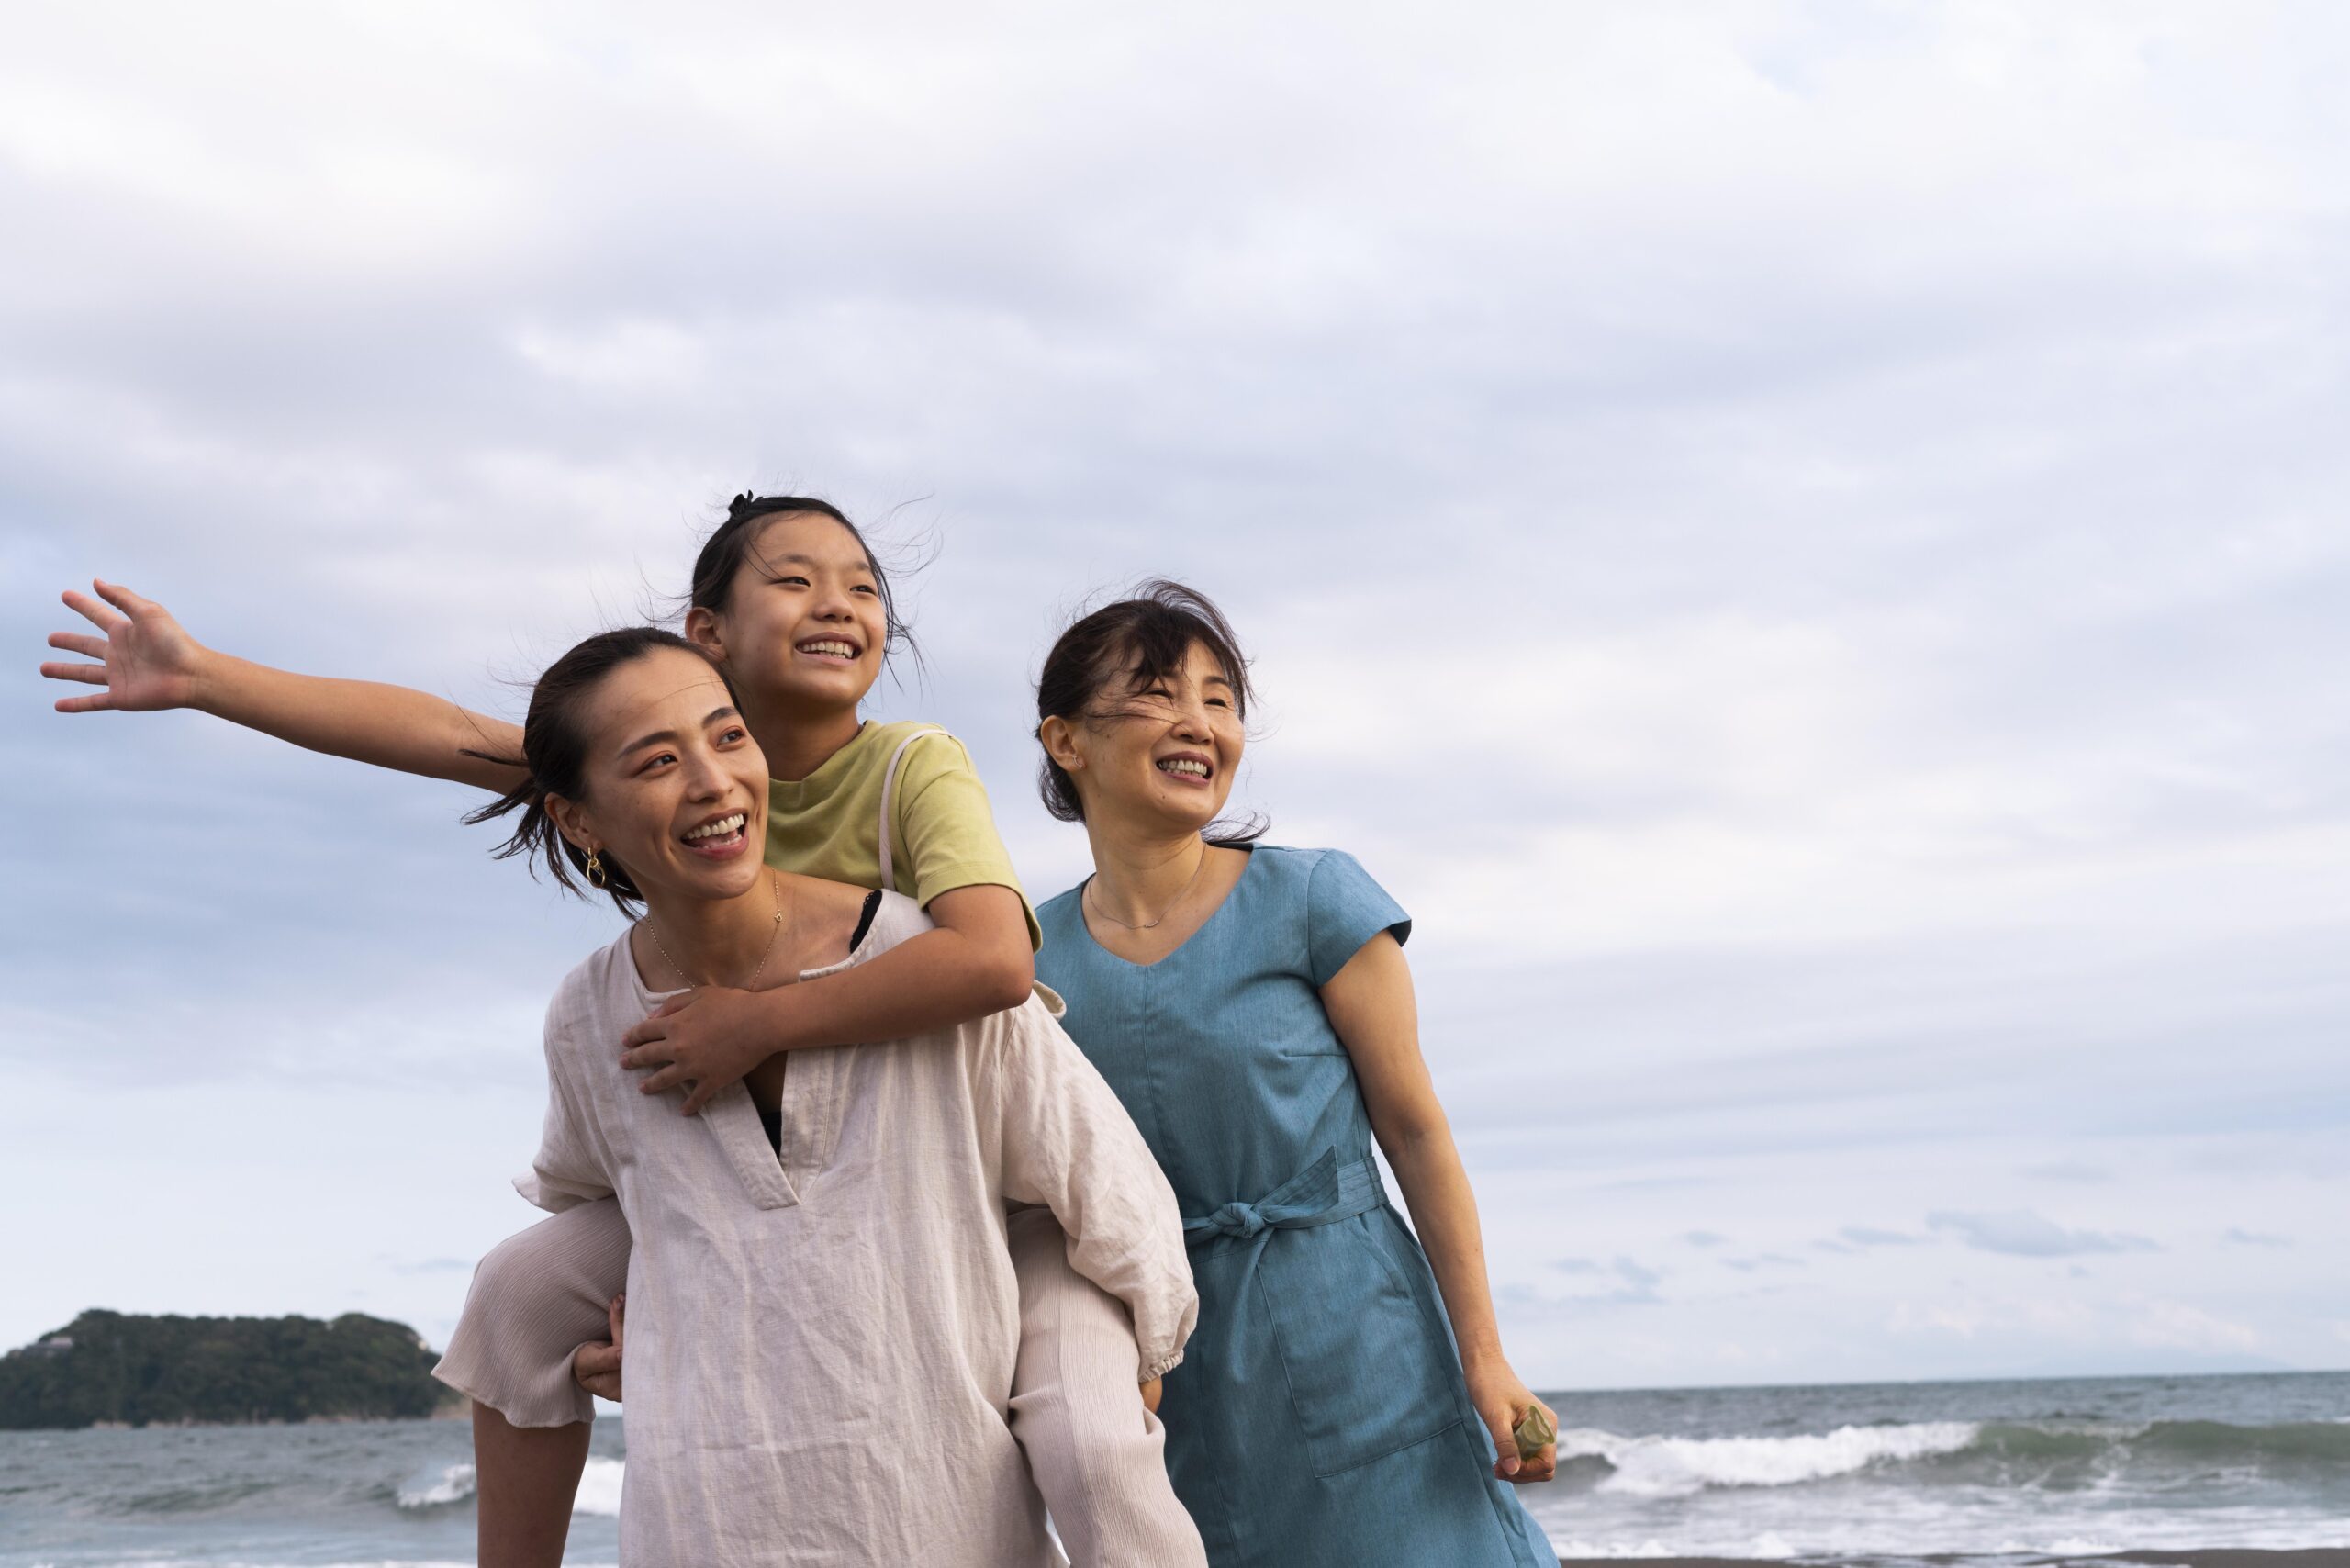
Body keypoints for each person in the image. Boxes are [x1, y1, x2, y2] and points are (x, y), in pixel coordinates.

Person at [39, 497, 1208, 1568]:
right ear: (706, 632)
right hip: (746, 1147)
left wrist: (755, 1020)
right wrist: (206, 678)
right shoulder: (653, 751)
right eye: (793, 582)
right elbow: (441, 730)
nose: (840, 604)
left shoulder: (907, 766)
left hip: (965, 1155)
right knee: (511, 1295)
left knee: (1097, 1444)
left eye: (861, 584)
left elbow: (995, 963)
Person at [460, 623, 1193, 1562]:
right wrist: (613, 1330)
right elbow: (600, 1207)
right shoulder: (586, 1016)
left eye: (729, 738)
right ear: (579, 820)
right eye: (656, 762)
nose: (715, 782)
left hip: (934, 1514)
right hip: (706, 1522)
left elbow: (1108, 1184)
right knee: (504, 1295)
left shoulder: (914, 962)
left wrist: (1129, 1364)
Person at [1030, 580, 1561, 1567]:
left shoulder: (1315, 897)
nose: (1201, 722)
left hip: (1359, 1334)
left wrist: (1487, 1360)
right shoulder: (1027, 961)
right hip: (1160, 1369)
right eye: (1159, 691)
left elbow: (1415, 1133)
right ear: (1066, 740)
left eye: (1221, 698)